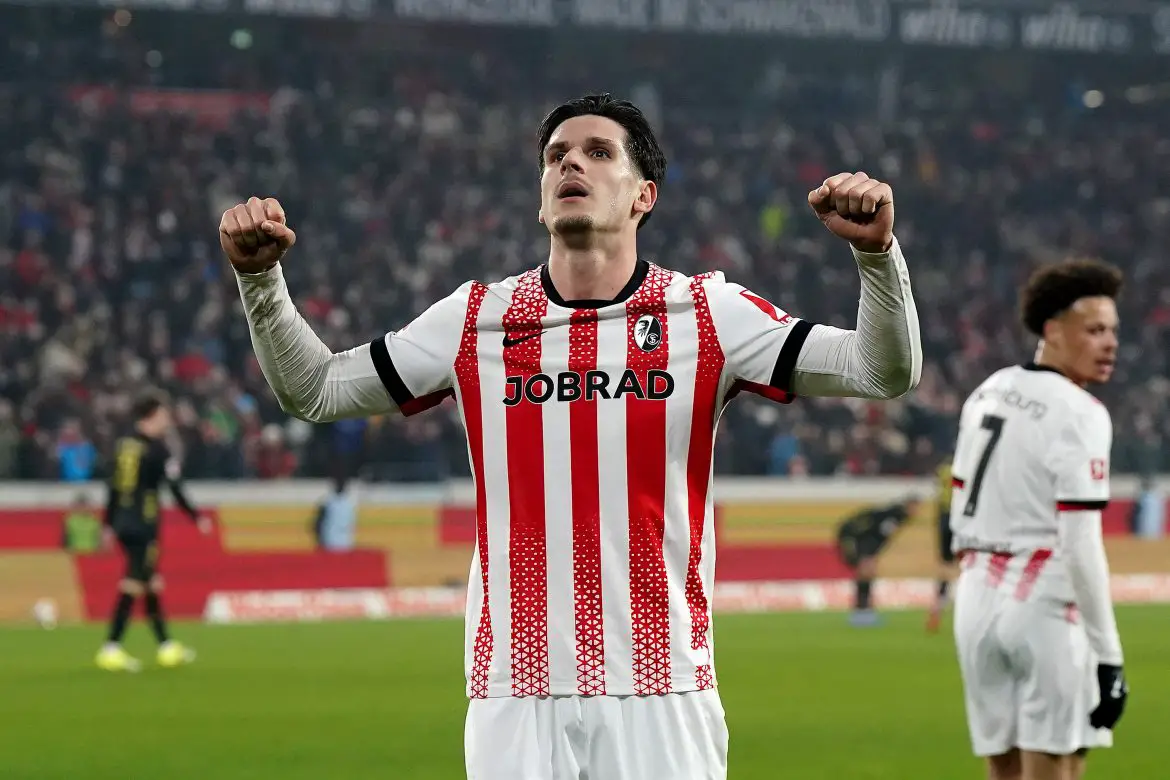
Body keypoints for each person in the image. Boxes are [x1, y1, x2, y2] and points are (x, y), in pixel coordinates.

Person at [220, 93, 922, 780]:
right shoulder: (476, 320)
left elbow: (881, 370)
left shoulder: (708, 314)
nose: (570, 166)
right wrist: (260, 279)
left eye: (597, 152)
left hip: (662, 686)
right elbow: (316, 389)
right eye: (556, 155)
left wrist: (878, 256)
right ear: (541, 193)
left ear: (644, 194)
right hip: (515, 691)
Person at [949, 260, 1128, 780]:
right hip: (1042, 598)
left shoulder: (988, 390)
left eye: (1113, 331)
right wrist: (1109, 654)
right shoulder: (1081, 412)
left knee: (1001, 768)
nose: (1110, 343)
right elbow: (1080, 543)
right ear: (1052, 329)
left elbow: (959, 498)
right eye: (1095, 330)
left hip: (976, 597)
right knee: (1059, 766)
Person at [95, 391, 213, 673]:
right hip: (144, 523)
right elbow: (174, 487)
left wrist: (109, 524)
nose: (167, 421)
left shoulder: (123, 445)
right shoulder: (158, 450)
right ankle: (111, 646)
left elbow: (112, 487)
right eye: (163, 416)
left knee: (151, 582)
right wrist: (196, 517)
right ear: (151, 417)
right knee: (135, 581)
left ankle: (165, 646)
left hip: (123, 521)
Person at [834, 496, 922, 627]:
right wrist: (868, 555)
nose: (917, 511)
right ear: (908, 505)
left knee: (867, 574)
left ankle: (863, 612)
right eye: (915, 507)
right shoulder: (894, 515)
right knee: (866, 574)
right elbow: (875, 535)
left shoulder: (896, 516)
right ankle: (862, 612)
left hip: (860, 541)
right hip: (856, 540)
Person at [926, 456, 956, 633]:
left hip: (943, 518)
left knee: (945, 564)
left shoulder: (942, 470)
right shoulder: (964, 466)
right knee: (968, 562)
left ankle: (937, 607)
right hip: (960, 517)